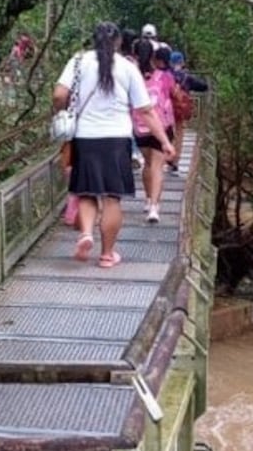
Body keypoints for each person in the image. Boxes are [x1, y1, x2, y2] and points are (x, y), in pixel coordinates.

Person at [53, 22, 174, 267]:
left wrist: (62, 112)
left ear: (93, 39)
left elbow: (59, 94)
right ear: (118, 42)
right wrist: (164, 141)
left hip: (85, 137)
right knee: (112, 198)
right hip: (117, 139)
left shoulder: (78, 61)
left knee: (87, 192)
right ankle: (107, 255)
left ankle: (86, 234)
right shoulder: (128, 67)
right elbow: (146, 110)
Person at [133, 40, 177, 223]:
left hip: (140, 126)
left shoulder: (133, 77)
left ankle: (147, 198)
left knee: (148, 164)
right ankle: (154, 206)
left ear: (135, 55)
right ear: (153, 55)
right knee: (158, 167)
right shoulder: (164, 76)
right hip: (162, 126)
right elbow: (174, 92)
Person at [167, 50, 208, 174]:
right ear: (182, 62)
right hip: (179, 109)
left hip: (166, 110)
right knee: (179, 134)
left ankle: (166, 157)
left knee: (166, 134)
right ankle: (175, 161)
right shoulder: (186, 77)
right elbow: (203, 86)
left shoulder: (165, 76)